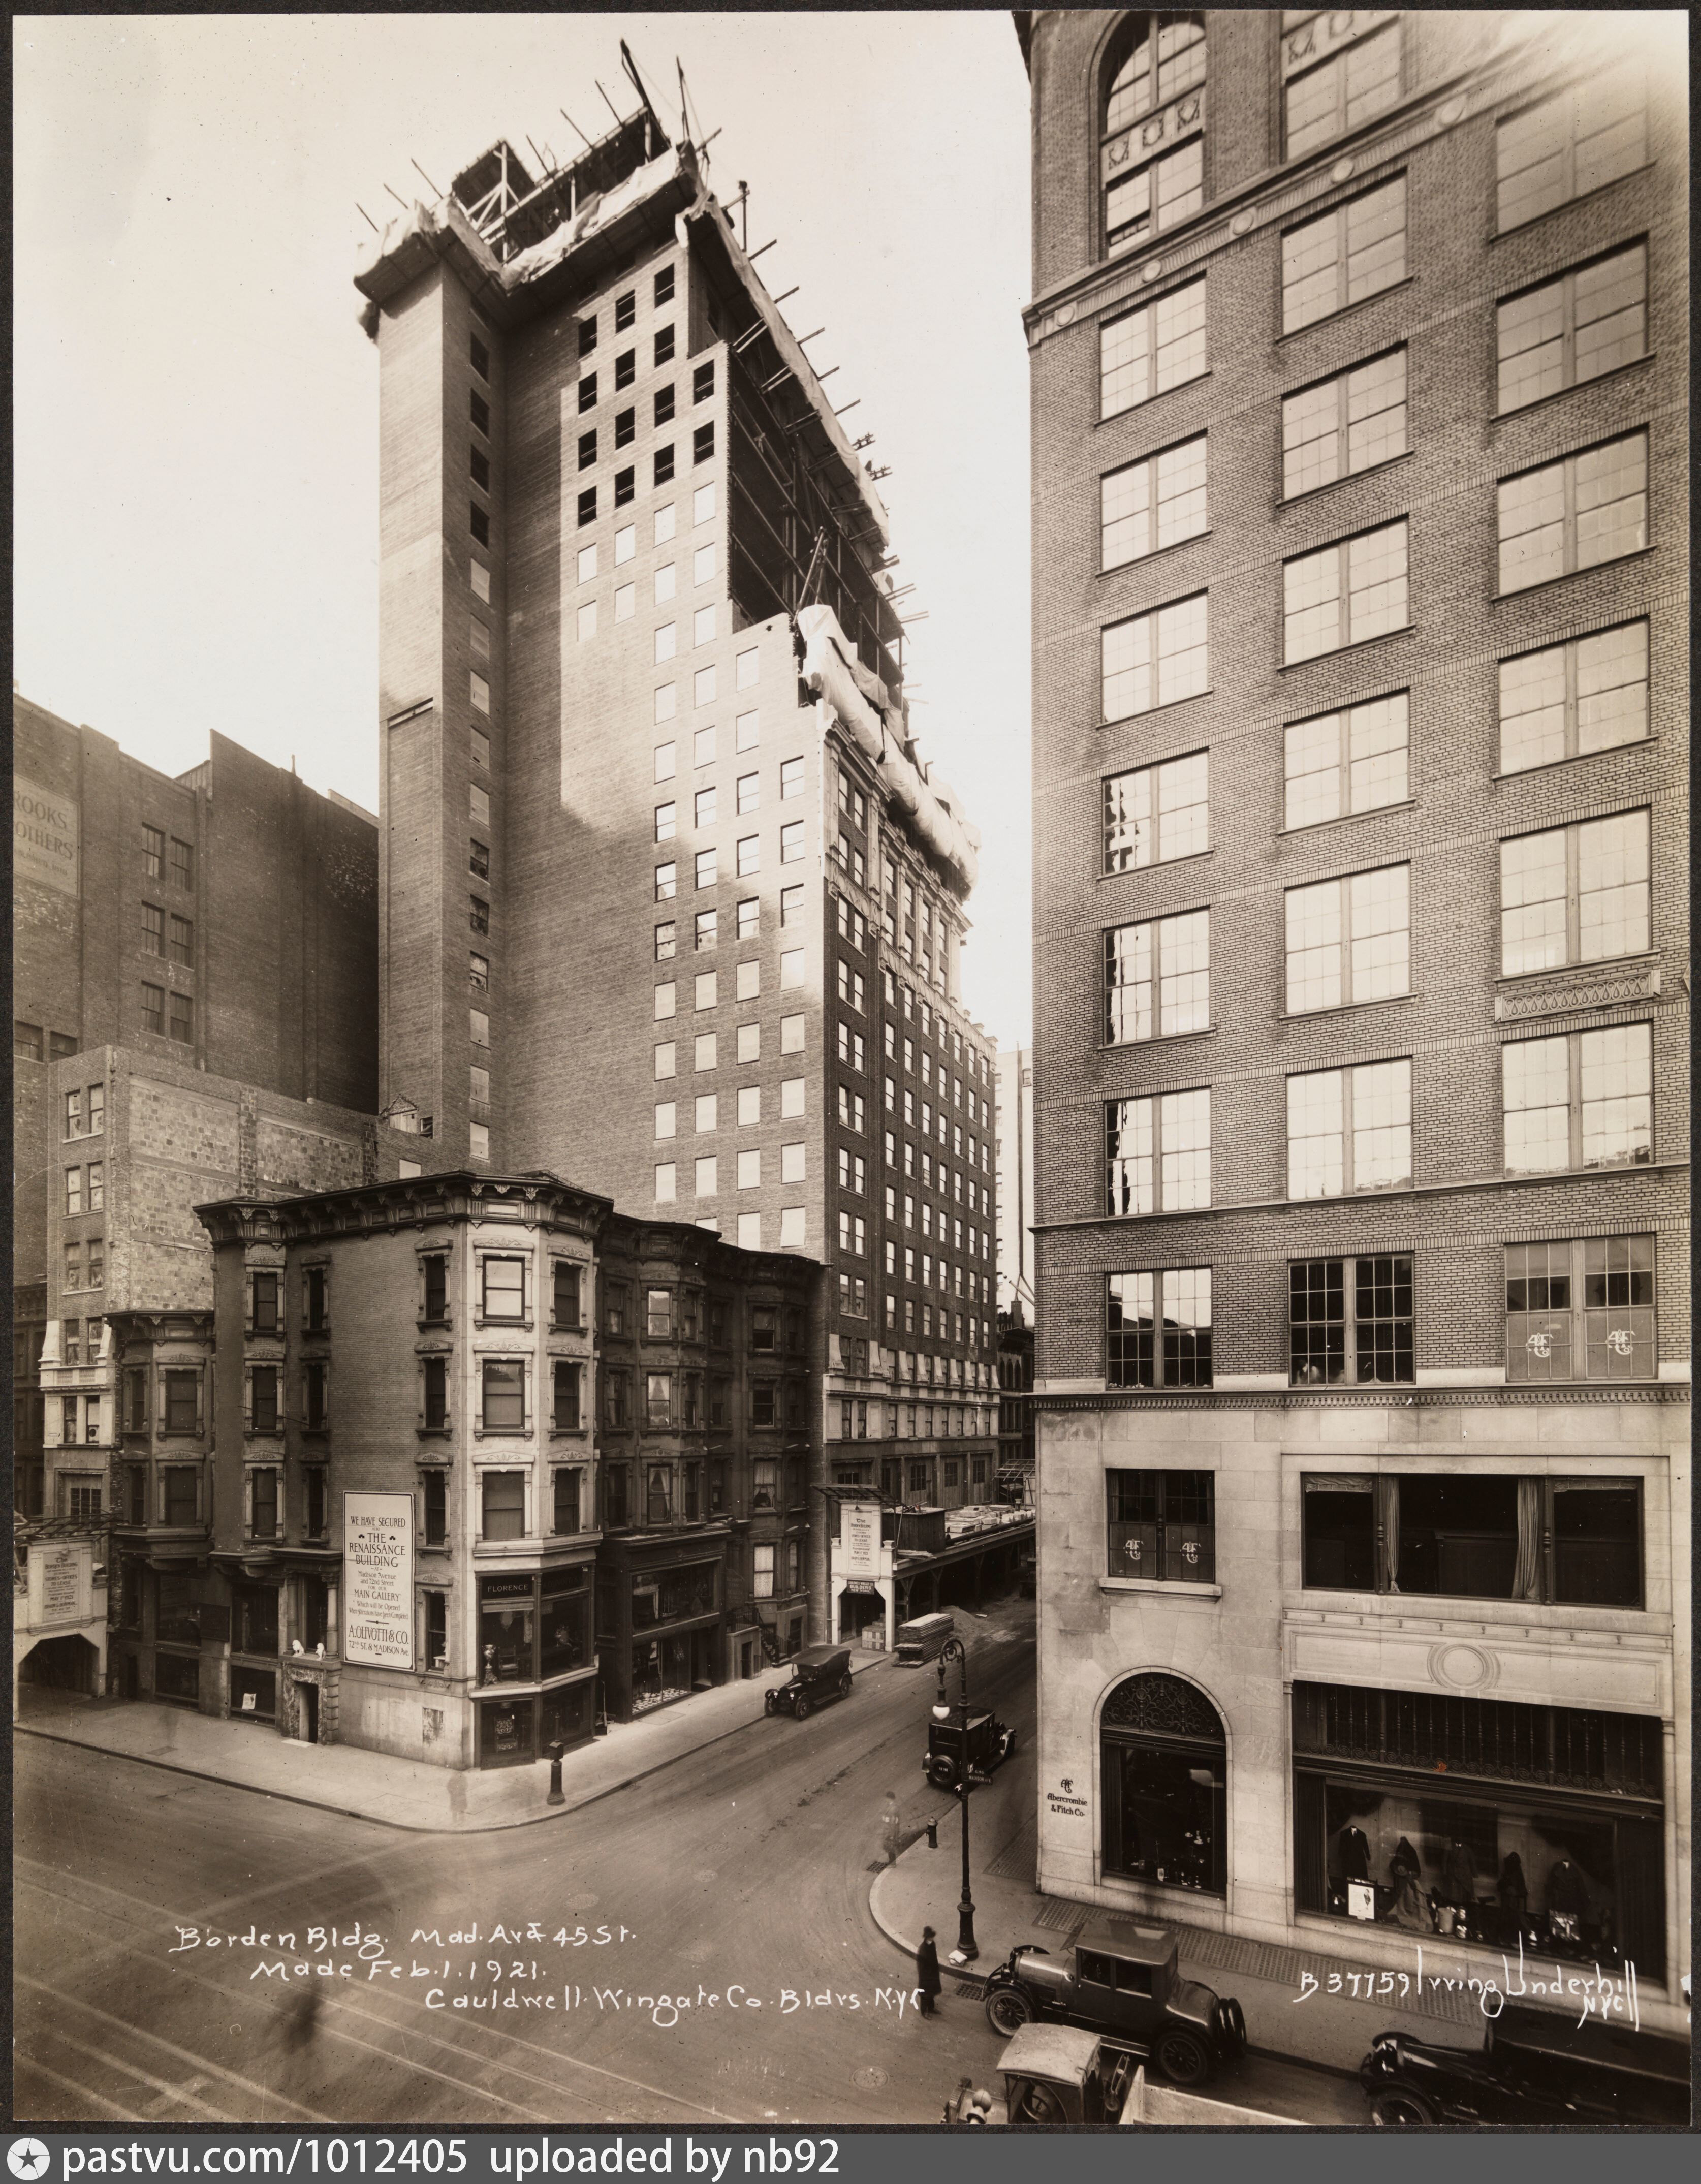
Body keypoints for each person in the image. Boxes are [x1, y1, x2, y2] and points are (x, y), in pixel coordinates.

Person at [916, 1926, 942, 2017]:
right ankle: (924, 2012)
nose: (932, 1938)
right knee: (925, 1995)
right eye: (930, 1937)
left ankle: (931, 2008)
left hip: (933, 1973)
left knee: (932, 1992)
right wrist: (924, 1976)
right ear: (927, 1937)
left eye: (932, 1936)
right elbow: (921, 1966)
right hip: (926, 1976)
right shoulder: (922, 1949)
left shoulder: (932, 1944)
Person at [880, 1790, 903, 1868]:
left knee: (890, 1846)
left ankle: (893, 1863)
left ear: (889, 1798)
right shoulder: (893, 1806)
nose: (886, 1800)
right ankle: (891, 1862)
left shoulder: (893, 1809)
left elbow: (893, 1822)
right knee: (889, 1846)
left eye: (886, 1798)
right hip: (889, 1830)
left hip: (890, 1831)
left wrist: (892, 1835)